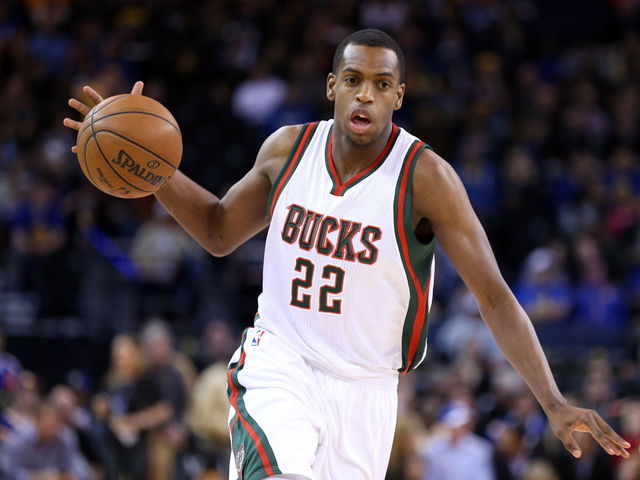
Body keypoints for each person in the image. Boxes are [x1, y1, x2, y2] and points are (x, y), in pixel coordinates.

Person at [64, 28, 630, 480]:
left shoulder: (426, 179)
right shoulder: (288, 149)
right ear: (331, 86)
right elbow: (218, 231)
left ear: (398, 97)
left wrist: (552, 400)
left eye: (382, 84)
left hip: (368, 393)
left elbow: (494, 296)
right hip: (280, 364)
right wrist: (156, 171)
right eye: (354, 80)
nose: (366, 94)